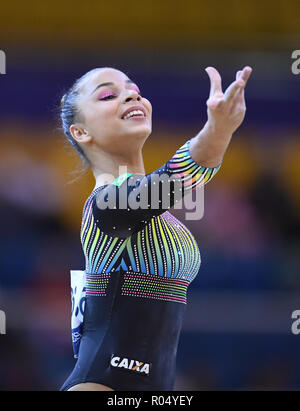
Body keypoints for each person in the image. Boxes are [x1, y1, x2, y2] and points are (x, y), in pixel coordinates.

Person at [59, 65, 252, 391]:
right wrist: (217, 131)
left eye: (134, 89)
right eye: (108, 95)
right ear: (81, 132)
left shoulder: (155, 215)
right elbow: (174, 180)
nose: (131, 95)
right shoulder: (105, 205)